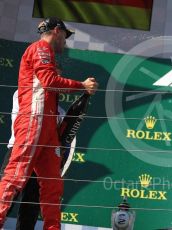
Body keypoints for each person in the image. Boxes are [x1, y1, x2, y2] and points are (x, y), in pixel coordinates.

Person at [0, 17, 98, 229]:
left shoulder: (48, 54)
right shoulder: (41, 48)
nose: (66, 42)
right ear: (56, 31)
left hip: (47, 127)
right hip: (33, 120)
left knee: (53, 186)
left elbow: (50, 83)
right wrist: (81, 85)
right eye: (65, 36)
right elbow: (49, 81)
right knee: (15, 176)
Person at [1, 90, 67, 230]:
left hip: (42, 158)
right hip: (19, 151)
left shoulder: (60, 112)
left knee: (30, 206)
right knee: (7, 196)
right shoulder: (22, 92)